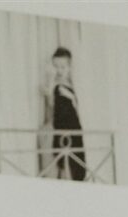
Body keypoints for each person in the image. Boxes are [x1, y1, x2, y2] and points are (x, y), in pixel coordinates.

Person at [41, 46, 86, 181]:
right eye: (56, 66)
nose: (59, 70)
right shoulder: (54, 84)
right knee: (61, 161)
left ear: (69, 67)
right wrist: (51, 86)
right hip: (60, 127)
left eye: (63, 67)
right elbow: (50, 104)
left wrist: (70, 96)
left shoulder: (71, 84)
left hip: (74, 127)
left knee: (76, 160)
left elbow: (76, 106)